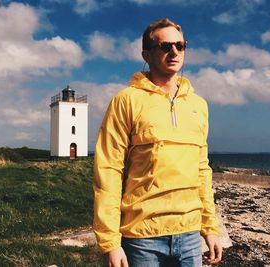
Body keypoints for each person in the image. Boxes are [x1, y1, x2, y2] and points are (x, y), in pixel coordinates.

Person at [93, 18, 222, 267]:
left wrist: (210, 227)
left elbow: (202, 171)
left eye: (180, 46)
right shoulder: (126, 101)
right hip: (142, 239)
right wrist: (111, 242)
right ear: (147, 54)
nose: (174, 52)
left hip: (190, 236)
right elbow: (108, 172)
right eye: (165, 46)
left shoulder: (198, 105)